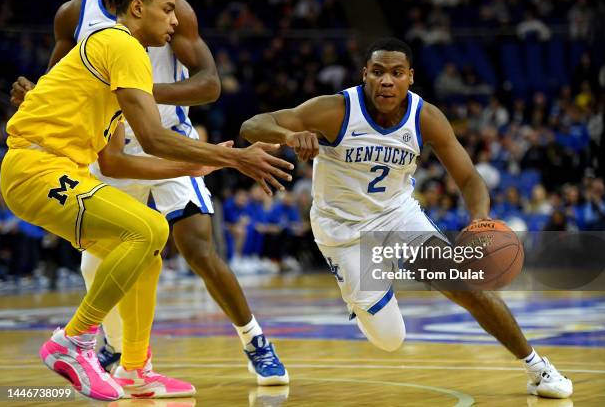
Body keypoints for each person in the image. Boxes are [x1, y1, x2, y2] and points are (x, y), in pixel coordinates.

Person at [1, 0, 292, 401]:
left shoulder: (118, 68)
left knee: (149, 255)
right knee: (149, 230)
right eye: (168, 10)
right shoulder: (120, 45)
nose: (175, 20)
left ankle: (135, 368)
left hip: (66, 169)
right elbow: (153, 137)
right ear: (138, 8)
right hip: (36, 166)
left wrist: (190, 169)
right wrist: (233, 157)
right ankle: (75, 342)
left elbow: (115, 159)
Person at [240, 37, 573, 399]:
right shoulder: (335, 109)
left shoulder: (425, 117)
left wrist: (479, 219)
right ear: (365, 75)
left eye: (396, 73)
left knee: (467, 285)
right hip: (342, 230)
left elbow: (469, 178)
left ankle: (538, 367)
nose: (387, 81)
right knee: (390, 339)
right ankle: (361, 300)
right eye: (378, 72)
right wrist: (289, 133)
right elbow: (253, 124)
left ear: (410, 77)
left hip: (398, 216)